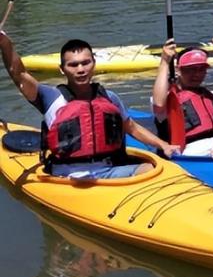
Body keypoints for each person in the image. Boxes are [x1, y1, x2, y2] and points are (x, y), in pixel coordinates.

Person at [0, 31, 179, 178]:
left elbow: (131, 127)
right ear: (62, 69)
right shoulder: (50, 97)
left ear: (94, 63)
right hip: (66, 175)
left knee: (149, 169)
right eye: (73, 65)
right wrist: (5, 42)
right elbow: (19, 74)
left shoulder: (110, 97)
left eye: (86, 63)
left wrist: (164, 145)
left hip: (108, 170)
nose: (81, 69)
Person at [152, 40, 213, 156]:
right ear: (178, 70)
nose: (197, 75)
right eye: (191, 69)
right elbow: (158, 104)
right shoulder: (169, 98)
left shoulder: (212, 95)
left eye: (201, 69)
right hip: (190, 154)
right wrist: (165, 62)